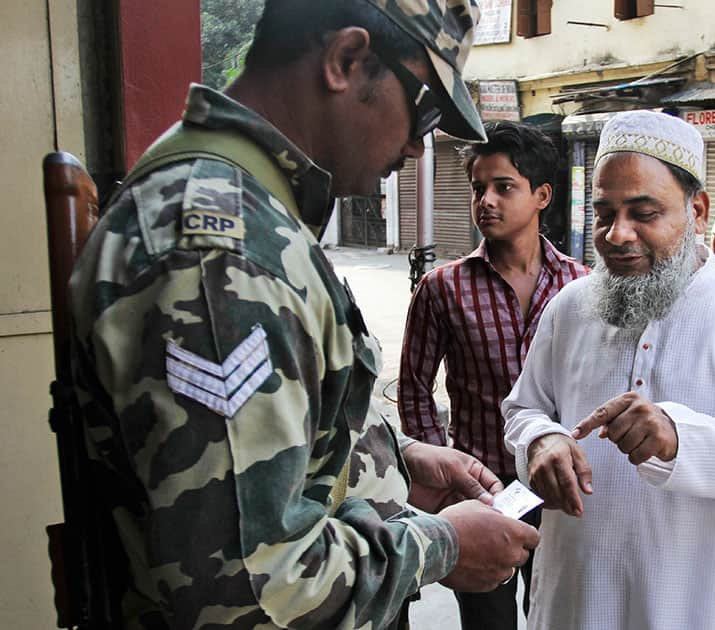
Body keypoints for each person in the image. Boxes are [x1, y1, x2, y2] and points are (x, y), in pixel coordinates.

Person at [67, 1, 539, 628]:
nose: (415, 149)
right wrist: (440, 548)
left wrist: (390, 462)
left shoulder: (252, 215)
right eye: (422, 108)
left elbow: (277, 443)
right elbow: (244, 588)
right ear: (346, 59)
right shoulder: (221, 254)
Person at [502, 110, 715, 630]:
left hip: (697, 606)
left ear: (697, 211)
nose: (616, 234)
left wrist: (679, 438)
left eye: (644, 213)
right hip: (574, 602)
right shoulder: (570, 305)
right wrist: (541, 439)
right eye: (604, 213)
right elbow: (523, 407)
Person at [398, 119, 587, 629]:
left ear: (542, 195)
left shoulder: (580, 284)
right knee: (486, 622)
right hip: (481, 495)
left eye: (504, 187)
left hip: (558, 493)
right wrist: (442, 477)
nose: (487, 200)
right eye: (479, 187)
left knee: (555, 614)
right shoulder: (443, 288)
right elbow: (414, 389)